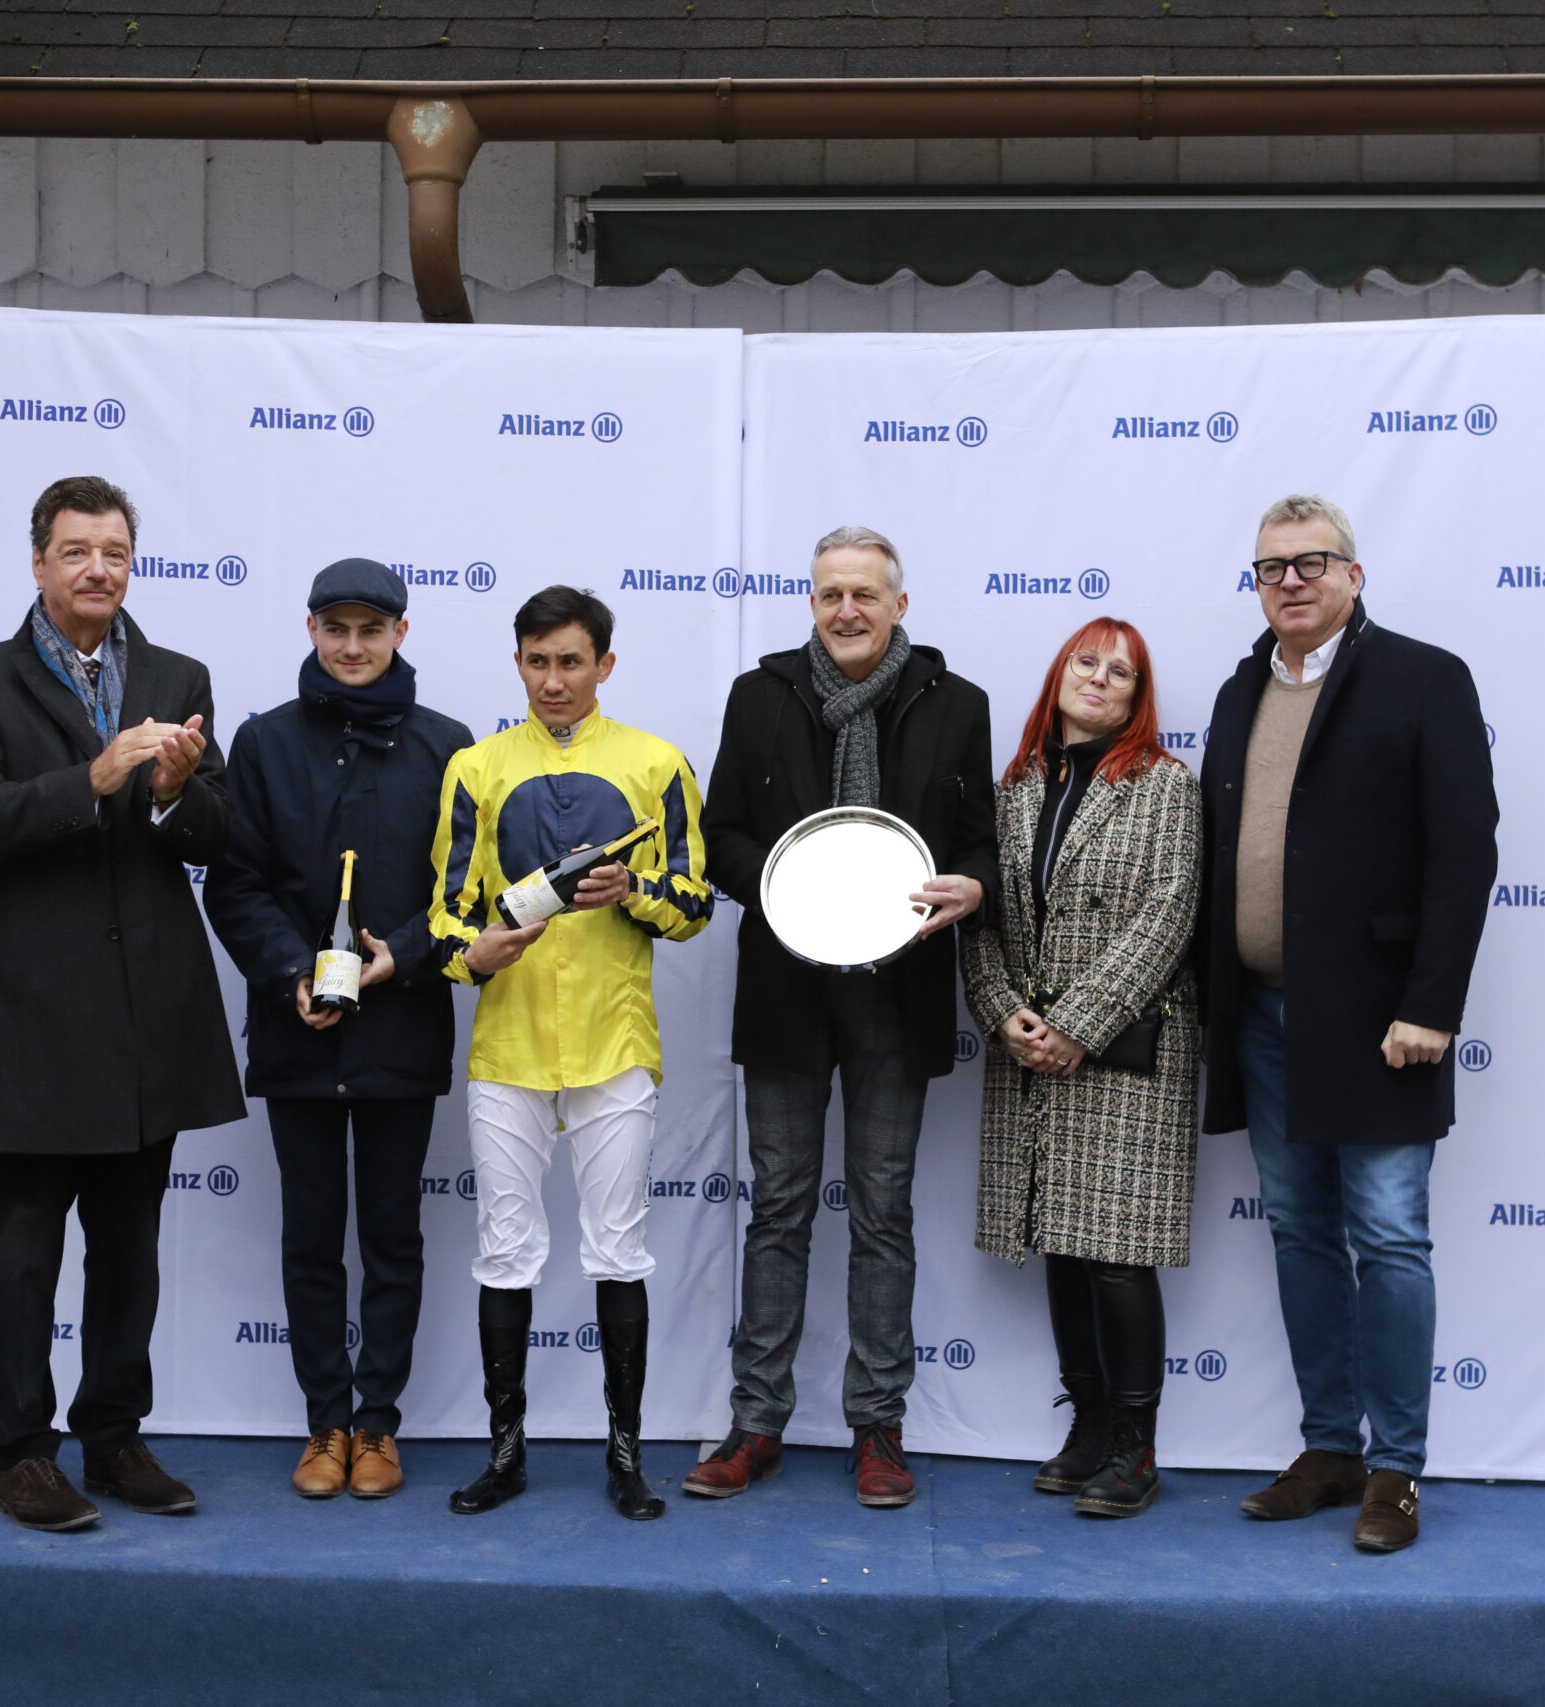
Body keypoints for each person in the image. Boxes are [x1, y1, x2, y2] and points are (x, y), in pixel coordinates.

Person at [0, 475, 244, 1533]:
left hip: (148, 1015)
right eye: (76, 551)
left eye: (113, 550)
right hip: (34, 1019)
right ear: (38, 563)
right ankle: (20, 1453)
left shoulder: (177, 674)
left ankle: (112, 1439)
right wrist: (96, 777)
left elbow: (219, 834)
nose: (97, 568)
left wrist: (170, 796)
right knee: (20, 1250)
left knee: (131, 1246)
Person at [1197, 493, 1497, 1554]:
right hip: (1265, 1021)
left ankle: (1396, 1471)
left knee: (1387, 1235)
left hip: (1382, 1024)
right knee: (1298, 1231)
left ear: (1353, 577)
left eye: (1311, 562)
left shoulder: (1423, 679)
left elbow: (1465, 855)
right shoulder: (1239, 692)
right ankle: (1328, 1447)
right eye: (1271, 566)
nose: (1289, 580)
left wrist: (1430, 1006)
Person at [689, 525, 995, 1510]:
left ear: (899, 604)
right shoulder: (760, 693)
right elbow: (719, 835)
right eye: (830, 595)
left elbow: (981, 848)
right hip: (786, 988)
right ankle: (756, 1423)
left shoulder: (958, 705)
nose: (848, 611)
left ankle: (878, 1427)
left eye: (865, 594)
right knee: (777, 1209)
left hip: (897, 995)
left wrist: (970, 889)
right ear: (811, 605)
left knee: (883, 1214)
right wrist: (792, 896)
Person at [427, 585, 712, 1522]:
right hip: (506, 1045)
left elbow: (695, 905)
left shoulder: (656, 763)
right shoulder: (474, 767)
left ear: (605, 665)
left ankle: (625, 1459)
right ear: (518, 662)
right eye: (538, 661)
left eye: (571, 662)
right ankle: (505, 1456)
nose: (554, 680)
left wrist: (633, 887)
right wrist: (470, 955)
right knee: (505, 1252)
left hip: (615, 1039)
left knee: (617, 1250)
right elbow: (446, 909)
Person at [202, 559, 473, 1502]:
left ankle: (379, 1425)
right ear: (311, 629)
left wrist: (395, 954)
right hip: (299, 1036)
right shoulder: (263, 742)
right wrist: (287, 977)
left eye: (371, 628)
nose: (352, 647)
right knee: (312, 1237)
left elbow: (461, 896)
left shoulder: (451, 747)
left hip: (401, 1030)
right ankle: (324, 1422)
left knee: (393, 1236)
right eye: (335, 628)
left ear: (402, 631)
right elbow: (234, 885)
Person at [961, 618, 1201, 1520]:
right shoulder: (1013, 788)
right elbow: (978, 919)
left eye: (1123, 673)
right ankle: (1089, 1425)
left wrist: (1077, 1025)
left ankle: (1136, 1447)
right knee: (1062, 1243)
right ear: (1059, 674)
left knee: (1118, 1256)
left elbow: (1167, 917)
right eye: (1087, 662)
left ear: (1139, 699)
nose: (1101, 679)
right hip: (1027, 1051)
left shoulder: (1165, 787)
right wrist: (1003, 1014)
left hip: (1129, 1053)